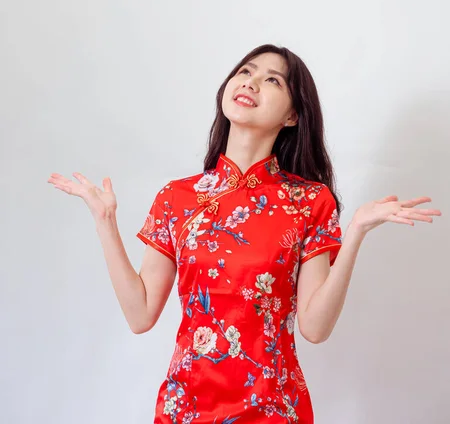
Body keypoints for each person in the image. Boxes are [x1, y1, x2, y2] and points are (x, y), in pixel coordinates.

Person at [48, 43, 442, 423]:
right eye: (245, 72)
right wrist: (105, 221)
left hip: (271, 408)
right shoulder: (177, 198)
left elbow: (315, 328)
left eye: (273, 81)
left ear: (292, 116)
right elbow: (140, 314)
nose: (251, 83)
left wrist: (355, 232)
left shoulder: (308, 202)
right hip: (185, 406)